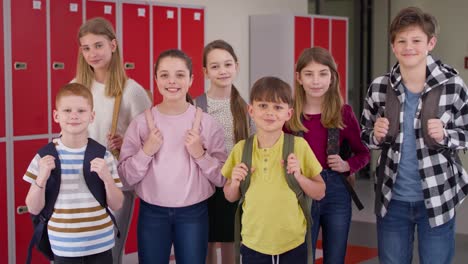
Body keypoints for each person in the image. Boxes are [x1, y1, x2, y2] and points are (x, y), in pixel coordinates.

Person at [360, 7, 468, 263]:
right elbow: (364, 135)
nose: (409, 47)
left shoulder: (452, 86)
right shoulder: (379, 87)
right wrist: (374, 135)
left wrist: (445, 136)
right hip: (392, 199)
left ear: (431, 43)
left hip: (438, 196)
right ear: (394, 46)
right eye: (402, 41)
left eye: (416, 40)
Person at [118, 49, 227, 264]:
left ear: (191, 79)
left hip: (194, 215)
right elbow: (124, 179)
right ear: (156, 78)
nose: (172, 81)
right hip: (152, 214)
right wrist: (146, 151)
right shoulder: (141, 123)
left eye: (179, 75)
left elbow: (222, 178)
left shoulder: (207, 123)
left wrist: (200, 154)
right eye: (165, 75)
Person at [223, 76, 326, 264]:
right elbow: (230, 196)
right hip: (253, 243)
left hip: (293, 243)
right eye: (263, 106)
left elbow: (320, 192)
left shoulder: (299, 146)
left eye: (278, 107)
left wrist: (300, 177)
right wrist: (235, 182)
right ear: (251, 110)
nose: (270, 112)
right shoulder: (240, 149)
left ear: (289, 114)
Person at [75, 17, 152, 264]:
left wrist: (127, 141)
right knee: (79, 251)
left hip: (116, 183)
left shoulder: (131, 91)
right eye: (86, 48)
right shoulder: (76, 87)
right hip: (80, 181)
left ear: (113, 45)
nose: (92, 53)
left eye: (98, 45)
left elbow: (151, 139)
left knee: (110, 253)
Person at [24, 83, 124, 264]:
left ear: (92, 116)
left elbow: (117, 204)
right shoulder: (43, 157)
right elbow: (33, 208)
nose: (74, 116)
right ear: (56, 115)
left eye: (81, 110)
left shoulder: (104, 156)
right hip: (64, 246)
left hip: (101, 243)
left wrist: (107, 179)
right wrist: (41, 178)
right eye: (67, 110)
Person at [287, 47, 370, 263]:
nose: (316, 81)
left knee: (335, 257)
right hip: (300, 192)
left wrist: (347, 165)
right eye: (309, 74)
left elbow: (364, 153)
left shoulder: (344, 112)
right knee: (302, 256)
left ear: (332, 77)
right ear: (299, 78)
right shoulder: (288, 115)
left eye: (323, 73)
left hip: (336, 193)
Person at [195, 39, 253, 264]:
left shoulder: (246, 107)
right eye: (215, 66)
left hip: (234, 185)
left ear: (236, 66)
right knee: (206, 243)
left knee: (231, 244)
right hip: (204, 185)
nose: (222, 71)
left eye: (228, 65)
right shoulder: (196, 106)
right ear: (205, 72)